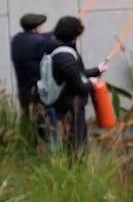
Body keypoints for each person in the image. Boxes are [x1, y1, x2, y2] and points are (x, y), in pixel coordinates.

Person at [36, 16, 108, 156]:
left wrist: (97, 70)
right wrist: (92, 84)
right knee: (76, 148)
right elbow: (78, 85)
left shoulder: (59, 48)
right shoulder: (64, 55)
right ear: (74, 34)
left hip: (66, 106)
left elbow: (75, 74)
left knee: (73, 146)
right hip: (69, 108)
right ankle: (76, 173)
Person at [10, 13, 52, 114]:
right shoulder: (39, 43)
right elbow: (45, 41)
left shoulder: (17, 40)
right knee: (40, 123)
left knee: (26, 121)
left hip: (24, 91)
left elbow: (41, 36)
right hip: (38, 92)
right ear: (36, 28)